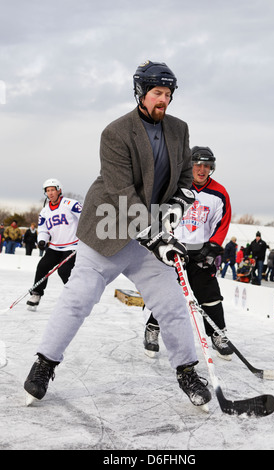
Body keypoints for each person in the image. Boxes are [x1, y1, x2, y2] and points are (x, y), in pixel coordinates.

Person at [24, 61, 212, 408]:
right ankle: (44, 364)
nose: (163, 101)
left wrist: (171, 213)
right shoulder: (116, 132)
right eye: (157, 93)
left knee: (171, 304)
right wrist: (157, 235)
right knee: (77, 299)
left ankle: (187, 370)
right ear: (141, 92)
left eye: (168, 94)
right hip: (107, 231)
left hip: (148, 237)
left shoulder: (179, 130)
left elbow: (185, 182)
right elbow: (123, 192)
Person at [144, 146, 233, 361]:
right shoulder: (176, 187)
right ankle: (152, 329)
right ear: (189, 165)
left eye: (206, 166)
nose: (202, 170)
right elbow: (158, 215)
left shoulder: (219, 193)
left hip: (201, 250)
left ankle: (218, 335)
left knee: (209, 294)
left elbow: (222, 222)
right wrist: (163, 240)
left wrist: (213, 246)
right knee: (167, 294)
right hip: (174, 248)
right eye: (197, 165)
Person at [26, 179, 82, 310]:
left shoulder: (70, 204)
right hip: (55, 247)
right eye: (47, 191)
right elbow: (43, 229)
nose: (50, 193)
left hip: (72, 246)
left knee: (64, 271)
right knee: (42, 266)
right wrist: (42, 240)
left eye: (52, 190)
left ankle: (75, 297)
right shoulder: (45, 211)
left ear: (59, 190)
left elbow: (85, 217)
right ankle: (36, 294)